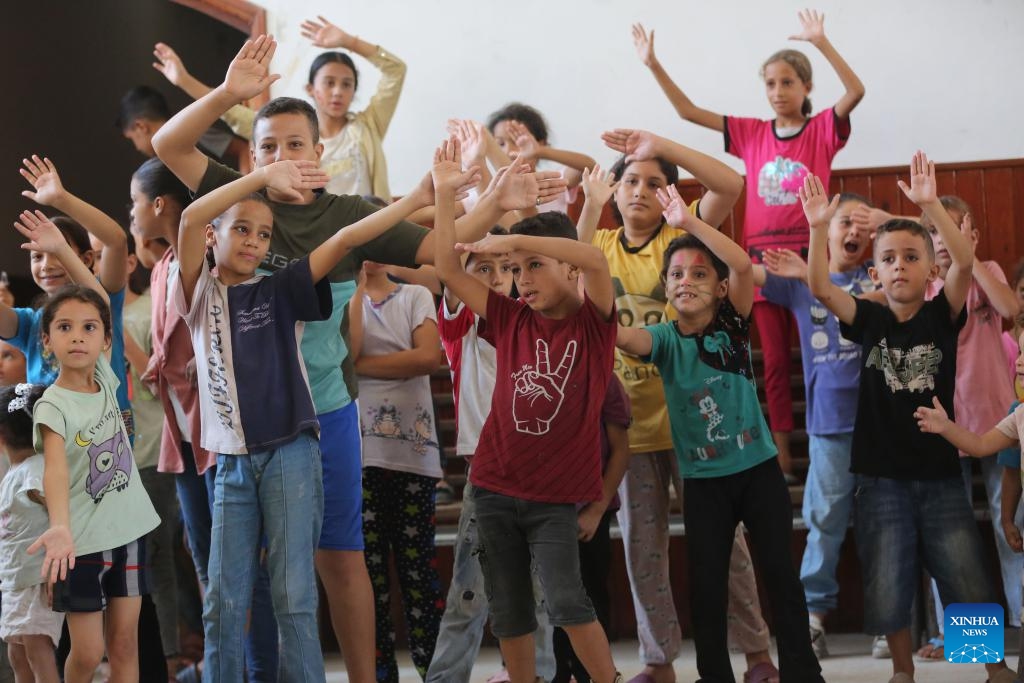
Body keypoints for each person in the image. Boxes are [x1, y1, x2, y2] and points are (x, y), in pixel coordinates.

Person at [152, 34, 563, 682]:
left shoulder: (344, 213)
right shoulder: (237, 206)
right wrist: (230, 94)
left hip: (328, 414)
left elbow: (439, 250)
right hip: (241, 430)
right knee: (245, 569)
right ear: (250, 158)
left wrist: (491, 202)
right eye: (266, 147)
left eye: (294, 145)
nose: (282, 157)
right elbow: (167, 147)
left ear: (320, 152)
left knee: (338, 559)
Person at [174, 139, 471, 681]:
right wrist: (264, 176)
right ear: (214, 236)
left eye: (264, 234)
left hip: (292, 455)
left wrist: (415, 200)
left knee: (294, 595)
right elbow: (194, 213)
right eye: (241, 228)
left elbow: (346, 238)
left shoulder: (281, 290)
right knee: (224, 599)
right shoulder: (197, 293)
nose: (254, 241)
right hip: (233, 464)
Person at [804, 154, 1014, 683]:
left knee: (965, 576)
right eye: (890, 259)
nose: (900, 265)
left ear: (929, 271)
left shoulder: (943, 315)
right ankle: (902, 670)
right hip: (879, 480)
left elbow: (964, 262)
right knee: (889, 580)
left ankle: (991, 667)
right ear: (875, 273)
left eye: (912, 256)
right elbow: (821, 289)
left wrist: (928, 208)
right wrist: (816, 230)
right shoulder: (869, 317)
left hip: (940, 475)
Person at [631, 10, 865, 482]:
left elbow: (855, 92)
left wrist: (821, 41)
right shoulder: (753, 133)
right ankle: (780, 455)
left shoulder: (821, 128)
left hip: (808, 259)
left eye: (787, 82)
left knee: (819, 355)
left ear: (805, 88)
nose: (778, 92)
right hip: (759, 262)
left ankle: (834, 449)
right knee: (775, 363)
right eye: (771, 84)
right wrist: (653, 64)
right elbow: (687, 113)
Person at [616, 184, 824, 683]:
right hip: (705, 482)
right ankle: (715, 674)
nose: (686, 281)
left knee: (782, 578)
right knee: (707, 589)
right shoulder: (664, 340)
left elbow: (742, 264)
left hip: (758, 473)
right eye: (677, 275)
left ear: (721, 288)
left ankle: (803, 671)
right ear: (666, 288)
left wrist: (689, 223)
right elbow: (620, 334)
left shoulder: (732, 323)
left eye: (699, 273)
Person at [434, 137, 623, 683]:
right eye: (516, 271)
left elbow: (589, 256)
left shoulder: (594, 322)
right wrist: (448, 198)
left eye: (533, 267)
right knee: (510, 608)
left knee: (566, 599)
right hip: (493, 488)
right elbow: (447, 266)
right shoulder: (511, 317)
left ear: (568, 272)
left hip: (554, 498)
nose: (522, 280)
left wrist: (513, 234)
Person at [592, 128, 777, 683]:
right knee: (641, 552)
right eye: (630, 180)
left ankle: (758, 653)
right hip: (630, 432)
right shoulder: (598, 245)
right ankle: (658, 658)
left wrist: (660, 145)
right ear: (614, 191)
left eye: (655, 182)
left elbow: (731, 183)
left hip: (703, 432)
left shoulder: (683, 232)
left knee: (731, 552)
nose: (642, 191)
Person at [427, 228, 557, 683]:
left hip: (539, 476)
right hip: (486, 477)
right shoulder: (459, 325)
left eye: (509, 268)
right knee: (469, 593)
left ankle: (534, 675)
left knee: (539, 596)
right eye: (485, 268)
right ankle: (445, 677)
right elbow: (447, 263)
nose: (499, 278)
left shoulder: (533, 321)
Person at [753, 193, 875, 658]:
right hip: (830, 426)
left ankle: (909, 627)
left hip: (902, 428)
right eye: (845, 223)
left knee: (909, 530)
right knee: (824, 522)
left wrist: (809, 270)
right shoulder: (800, 283)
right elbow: (746, 274)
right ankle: (813, 619)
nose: (854, 233)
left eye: (864, 226)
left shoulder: (881, 276)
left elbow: (933, 268)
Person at [25, 262, 159, 683]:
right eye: (64, 328)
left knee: (124, 645)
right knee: (87, 654)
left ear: (104, 340)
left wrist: (62, 249)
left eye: (88, 328)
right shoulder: (51, 404)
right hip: (80, 543)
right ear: (46, 341)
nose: (78, 336)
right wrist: (61, 527)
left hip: (131, 531)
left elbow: (100, 299)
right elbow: (56, 471)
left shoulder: (106, 378)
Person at [918, 197, 1021, 659]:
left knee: (1012, 527)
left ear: (972, 236)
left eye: (955, 231)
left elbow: (1009, 307)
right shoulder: (923, 286)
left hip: (1001, 428)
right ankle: (962, 638)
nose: (946, 241)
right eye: (937, 233)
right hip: (945, 429)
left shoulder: (989, 271)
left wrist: (971, 259)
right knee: (952, 535)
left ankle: (1020, 623)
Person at [154, 14, 406, 199]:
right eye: (329, 83)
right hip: (319, 238)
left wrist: (349, 42)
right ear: (311, 90)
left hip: (369, 237)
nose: (338, 91)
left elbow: (396, 71)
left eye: (346, 84)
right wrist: (184, 81)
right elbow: (232, 111)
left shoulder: (367, 126)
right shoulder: (291, 131)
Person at [351, 262, 444, 682]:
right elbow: (346, 352)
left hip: (414, 456)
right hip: (359, 456)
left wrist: (360, 367)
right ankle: (380, 674)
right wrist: (352, 291)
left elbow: (427, 357)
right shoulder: (345, 299)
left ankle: (436, 671)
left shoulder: (414, 296)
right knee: (368, 580)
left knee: (419, 574)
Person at [552, 374, 631, 683]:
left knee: (592, 593)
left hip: (591, 511)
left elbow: (620, 450)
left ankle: (595, 674)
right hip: (545, 512)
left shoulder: (603, 379)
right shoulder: (529, 371)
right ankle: (557, 672)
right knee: (550, 601)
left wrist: (596, 510)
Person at [0, 383, 61, 683]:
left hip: (37, 579)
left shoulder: (35, 468)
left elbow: (60, 511)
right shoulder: (15, 473)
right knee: (17, 654)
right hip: (15, 581)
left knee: (38, 649)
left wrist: (56, 569)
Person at [115, 85, 244, 163]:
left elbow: (242, 149)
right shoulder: (159, 163)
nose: (137, 148)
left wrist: (250, 193)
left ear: (141, 127)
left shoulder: (192, 130)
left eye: (132, 138)